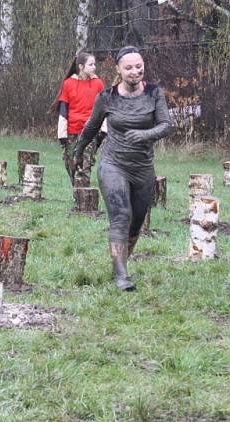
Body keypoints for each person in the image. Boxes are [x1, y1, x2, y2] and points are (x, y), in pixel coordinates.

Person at [73, 46, 171, 290]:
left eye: (139, 67)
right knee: (120, 216)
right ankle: (121, 277)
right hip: (113, 165)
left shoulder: (154, 93)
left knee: (136, 222)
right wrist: (77, 153)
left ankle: (119, 264)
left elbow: (166, 125)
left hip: (143, 169)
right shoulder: (106, 98)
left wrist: (144, 135)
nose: (134, 71)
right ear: (118, 69)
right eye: (128, 68)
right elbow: (91, 128)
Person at [54, 51, 105, 187]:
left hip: (90, 132)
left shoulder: (98, 84)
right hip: (72, 131)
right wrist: (62, 134)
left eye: (94, 64)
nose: (94, 67)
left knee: (84, 165)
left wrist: (103, 131)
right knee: (70, 162)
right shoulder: (68, 84)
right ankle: (77, 191)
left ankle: (82, 201)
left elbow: (104, 109)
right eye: (91, 64)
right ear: (81, 66)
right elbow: (63, 110)